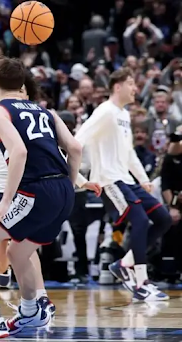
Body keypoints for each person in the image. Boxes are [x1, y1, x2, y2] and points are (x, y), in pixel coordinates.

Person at [0, 57, 83, 339]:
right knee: (17, 251)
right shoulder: (47, 112)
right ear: (22, 84)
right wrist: (68, 183)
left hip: (36, 190)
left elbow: (19, 152)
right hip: (63, 191)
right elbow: (75, 148)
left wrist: (6, 200)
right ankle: (32, 312)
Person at [74, 67, 172, 302]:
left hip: (127, 180)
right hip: (109, 179)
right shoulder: (105, 111)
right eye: (131, 83)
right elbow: (77, 141)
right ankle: (141, 282)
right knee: (138, 219)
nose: (135, 88)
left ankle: (125, 263)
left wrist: (143, 179)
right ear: (117, 87)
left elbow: (129, 153)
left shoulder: (123, 115)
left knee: (163, 219)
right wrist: (79, 178)